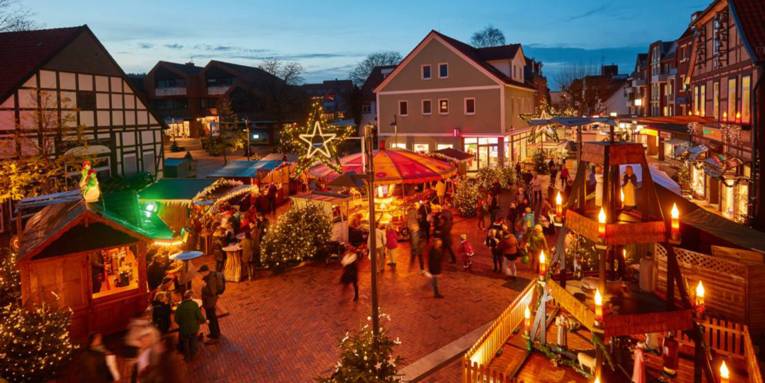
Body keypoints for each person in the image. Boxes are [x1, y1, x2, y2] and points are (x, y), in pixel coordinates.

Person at [174, 290, 205, 361]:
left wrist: (182, 324)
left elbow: (176, 319)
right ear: (190, 297)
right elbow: (199, 316)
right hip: (194, 328)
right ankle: (193, 353)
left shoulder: (180, 306)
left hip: (184, 329)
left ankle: (187, 356)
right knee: (193, 340)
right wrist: (203, 321)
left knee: (185, 343)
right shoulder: (194, 305)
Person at [198, 265, 222, 342]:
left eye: (201, 273)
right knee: (212, 317)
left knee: (211, 318)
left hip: (210, 302)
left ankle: (215, 335)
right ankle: (215, 332)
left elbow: (212, 292)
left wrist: (204, 287)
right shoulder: (208, 277)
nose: (201, 274)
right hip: (209, 302)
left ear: (206, 272)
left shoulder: (211, 279)